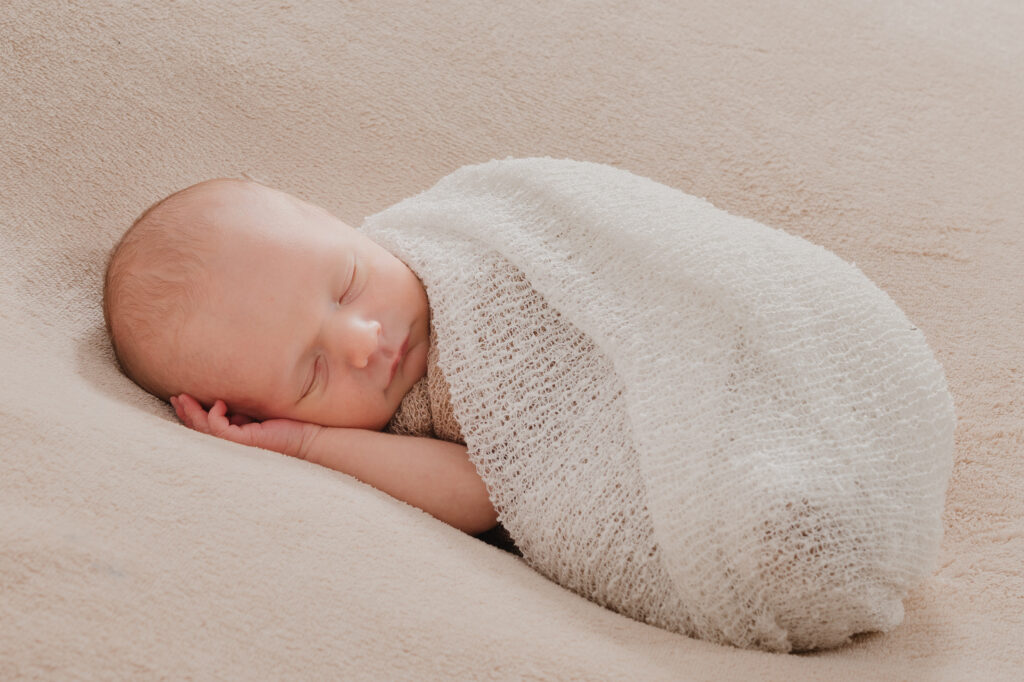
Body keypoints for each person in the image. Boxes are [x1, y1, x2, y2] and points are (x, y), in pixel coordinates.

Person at [103, 177, 498, 536]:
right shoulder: (391, 437)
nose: (363, 343)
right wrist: (307, 444)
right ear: (270, 417)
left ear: (342, 226)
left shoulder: (457, 234)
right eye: (315, 373)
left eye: (348, 287)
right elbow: (492, 492)